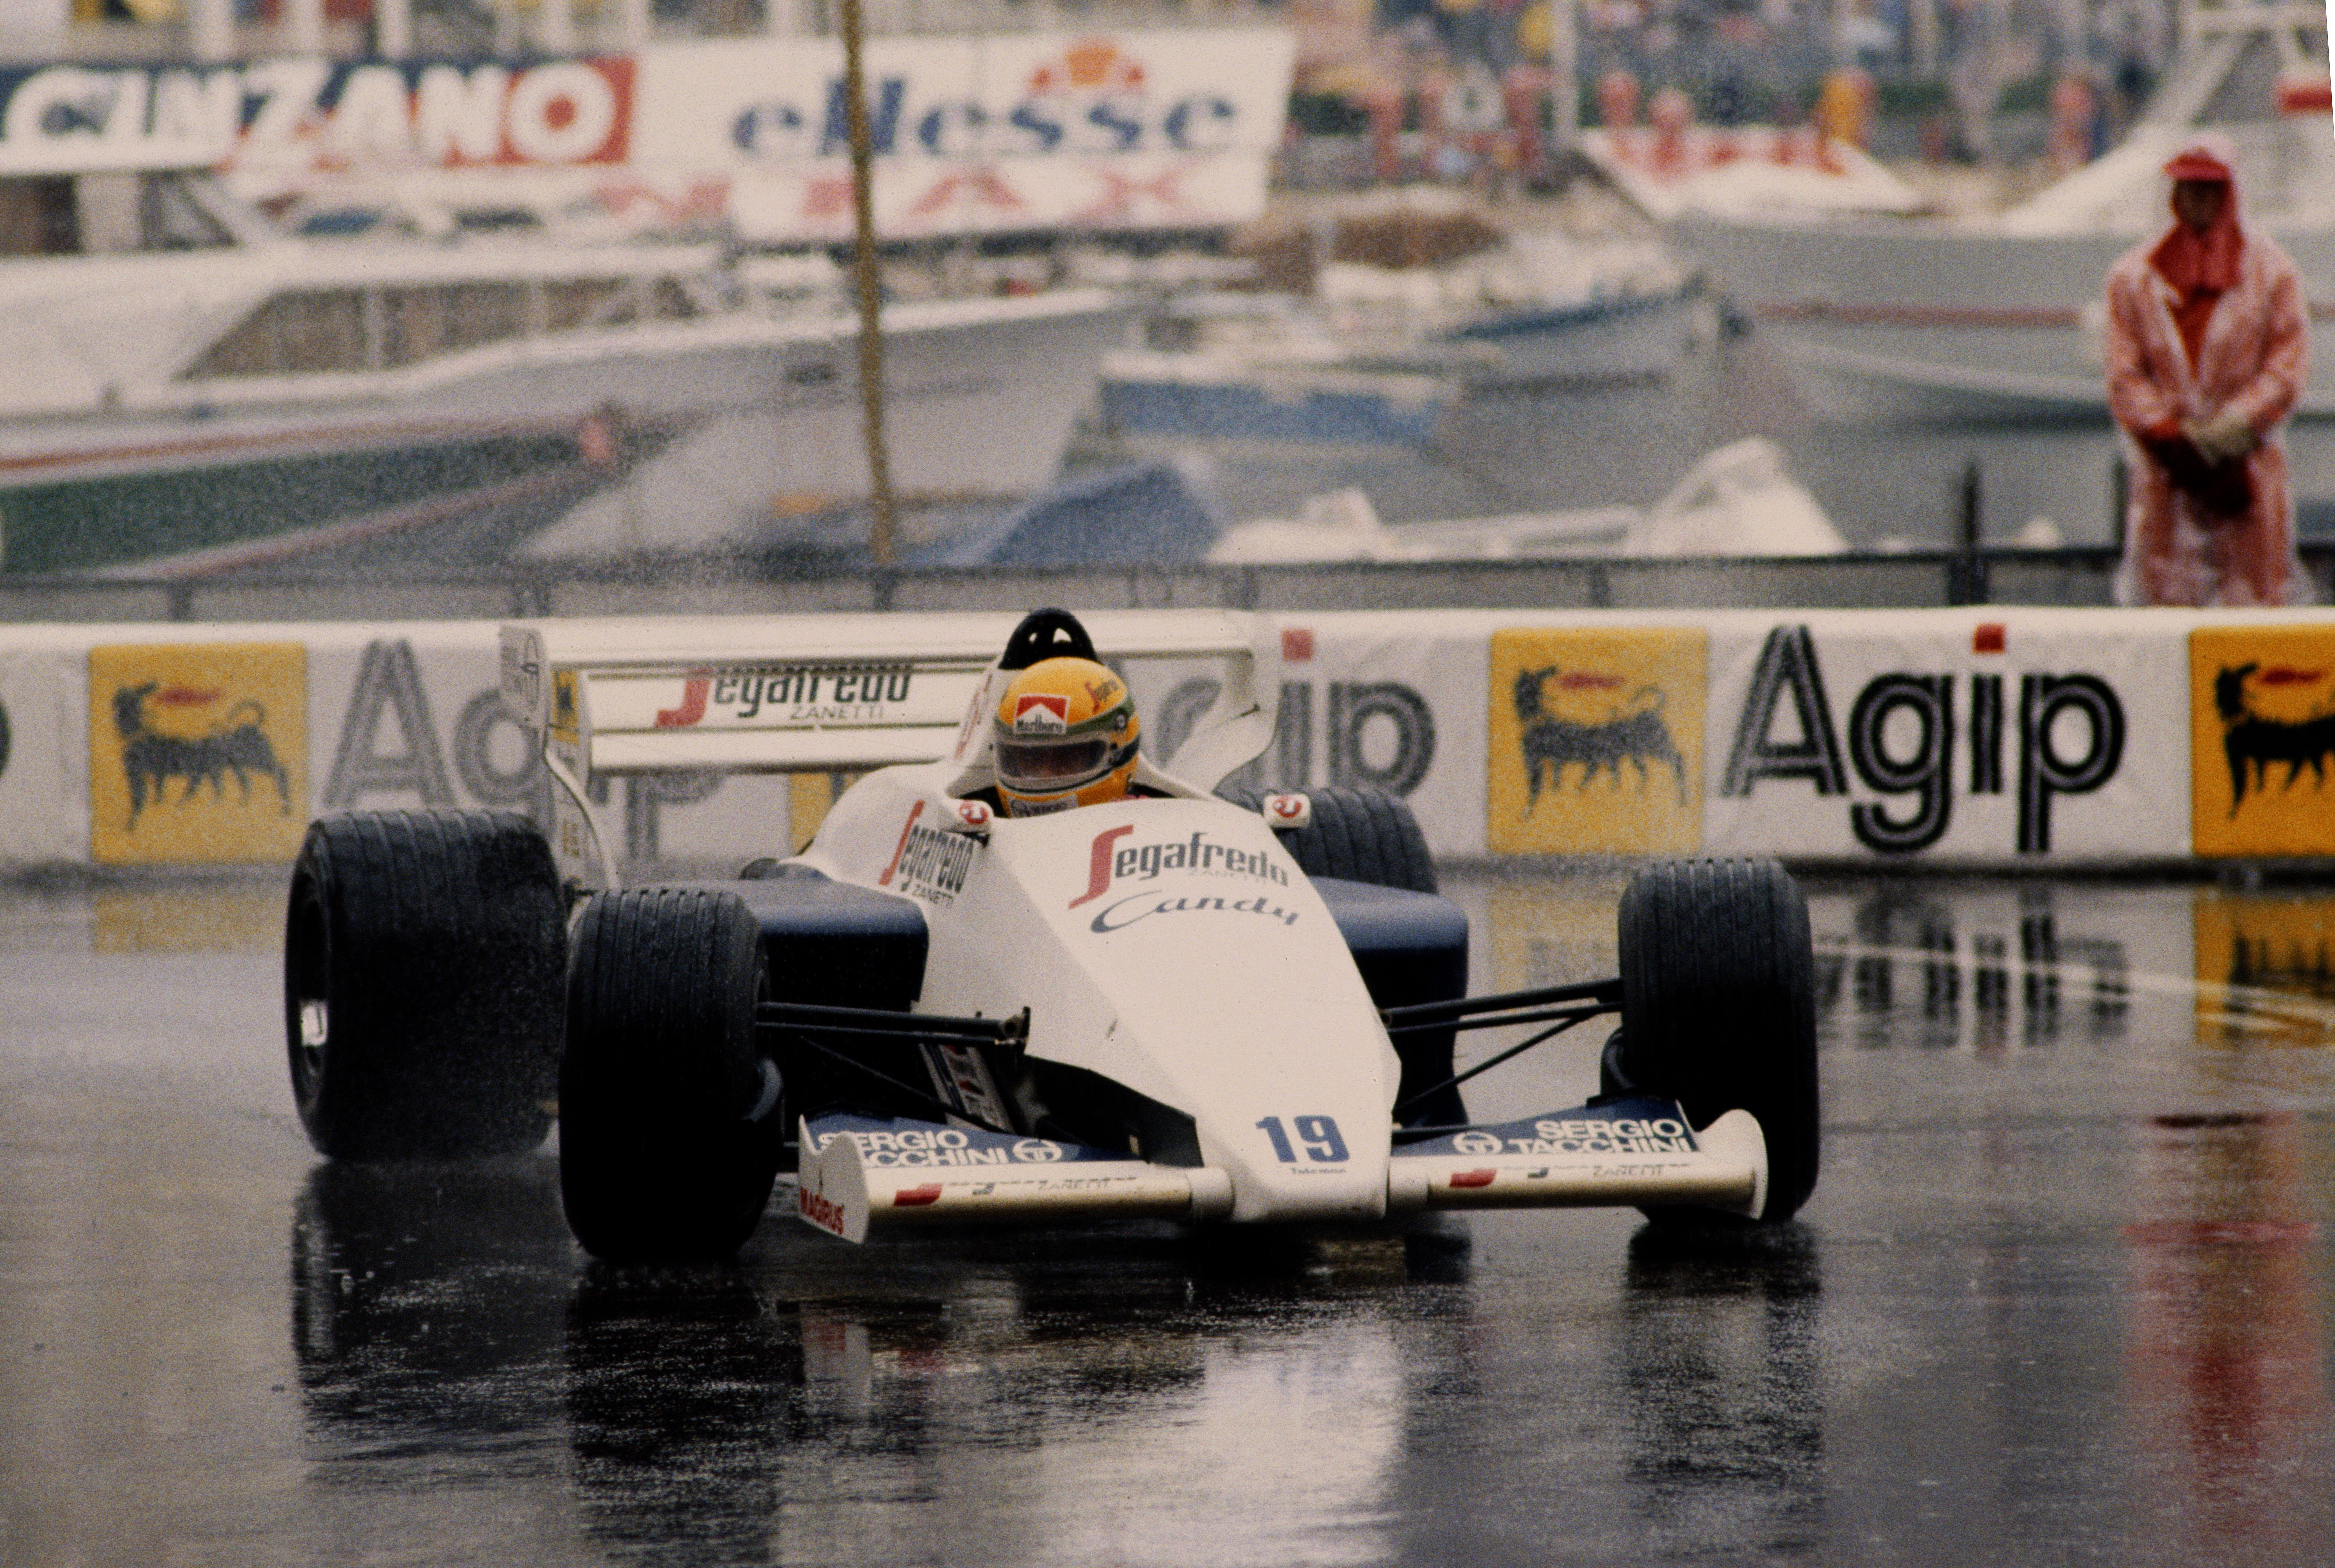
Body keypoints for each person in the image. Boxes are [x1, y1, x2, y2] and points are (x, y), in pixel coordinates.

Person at [2105, 136, 2312, 607]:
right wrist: (2171, 437)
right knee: (2166, 603)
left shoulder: (2273, 273)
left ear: (2230, 194)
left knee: (2255, 599)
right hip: (2167, 469)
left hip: (2247, 469)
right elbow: (2124, 373)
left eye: (2210, 189)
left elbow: (2286, 367)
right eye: (2188, 188)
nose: (2198, 199)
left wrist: (2232, 428)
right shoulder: (2133, 278)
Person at [991, 656, 1142, 817]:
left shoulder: (1156, 828)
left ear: (1117, 752)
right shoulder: (974, 827)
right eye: (1031, 758)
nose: (1045, 775)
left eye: (1066, 759)